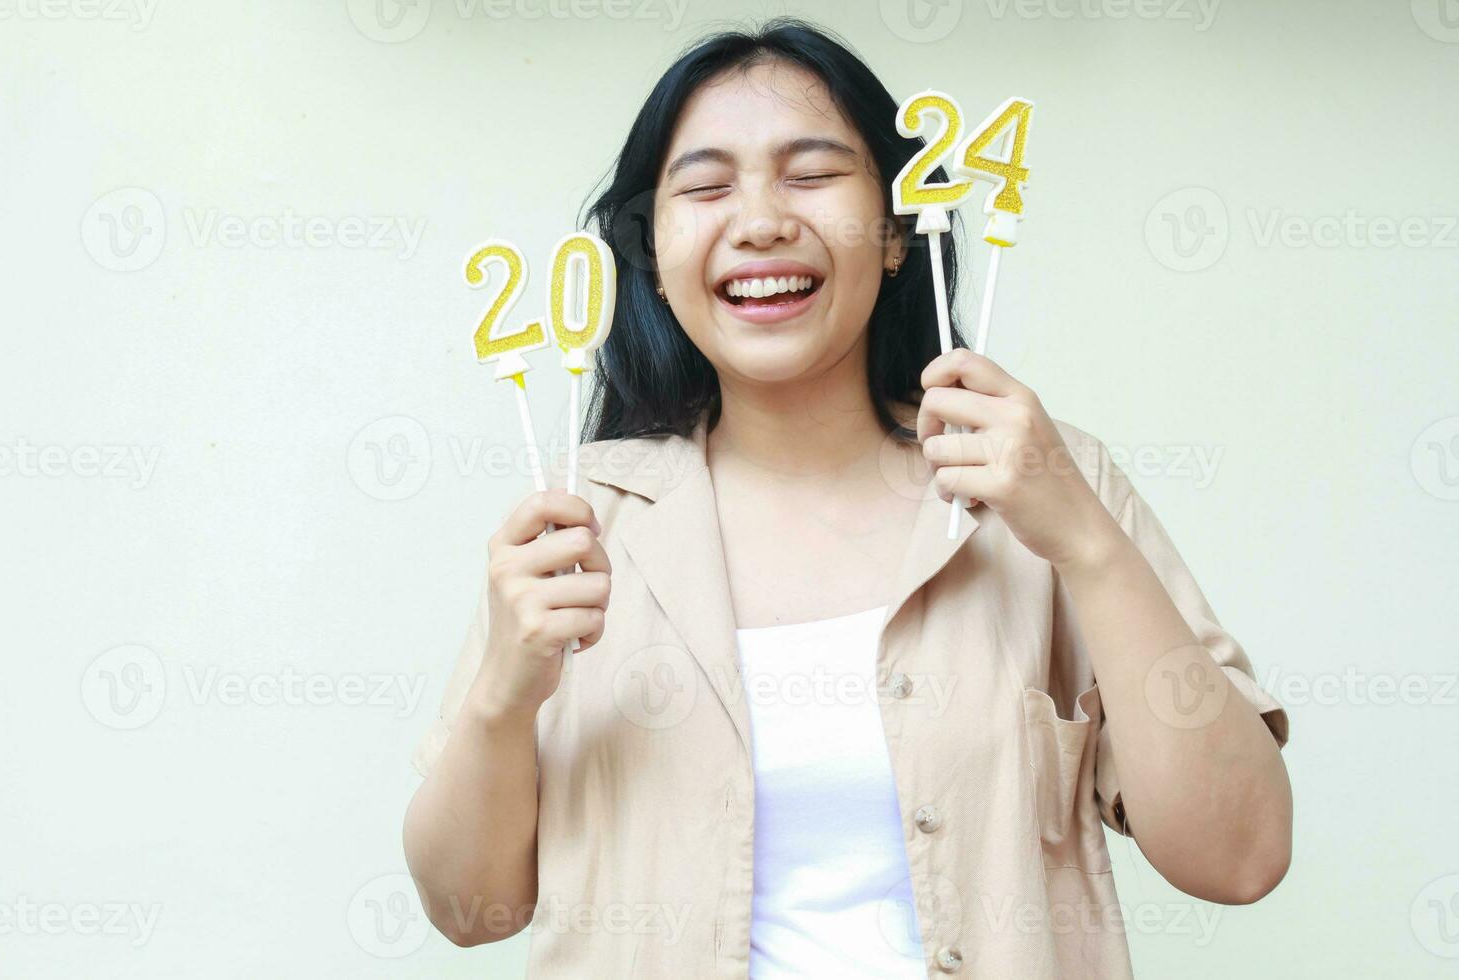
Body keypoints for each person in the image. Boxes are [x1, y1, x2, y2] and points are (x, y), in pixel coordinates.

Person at [402, 18, 1291, 979]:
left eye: (813, 174)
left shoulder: (1049, 482)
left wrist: (1088, 544)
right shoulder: (583, 526)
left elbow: (1239, 858)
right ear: (654, 260)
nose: (760, 222)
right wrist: (502, 692)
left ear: (902, 229)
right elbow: (468, 910)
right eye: (705, 187)